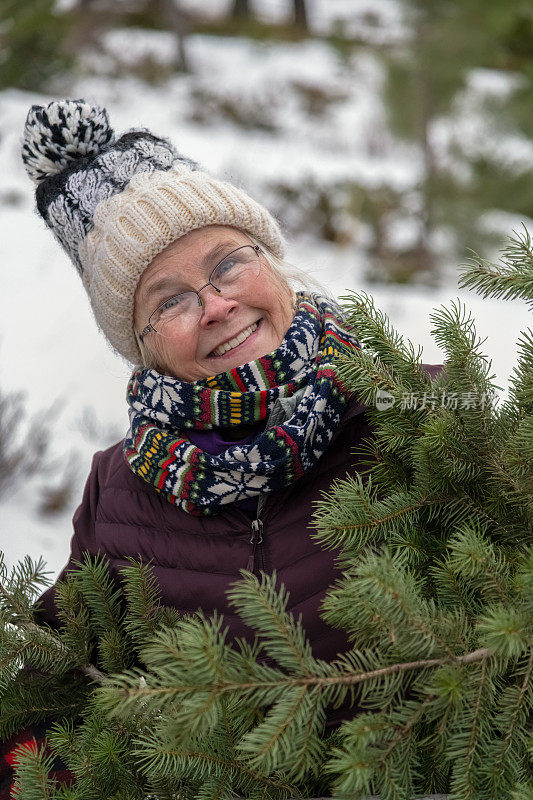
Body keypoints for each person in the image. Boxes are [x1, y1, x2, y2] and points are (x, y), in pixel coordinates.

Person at [1, 99, 441, 796]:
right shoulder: (119, 491)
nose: (214, 305)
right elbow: (53, 699)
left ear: (270, 258)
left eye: (228, 263)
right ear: (139, 347)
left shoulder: (422, 412)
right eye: (168, 301)